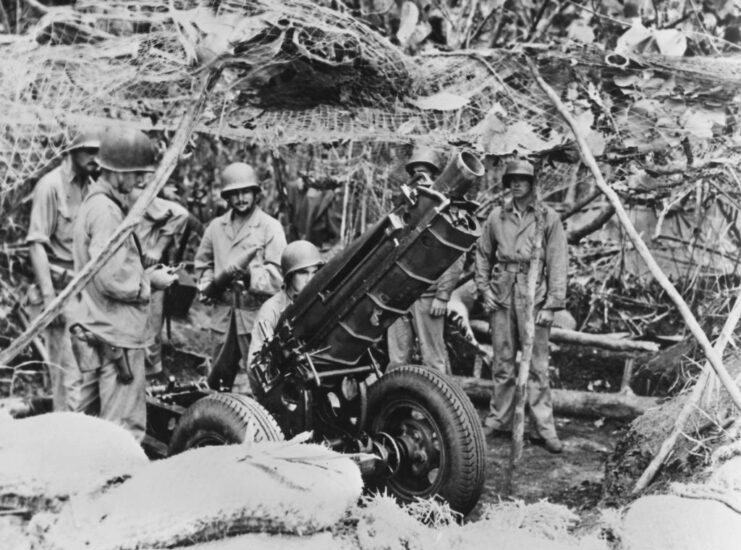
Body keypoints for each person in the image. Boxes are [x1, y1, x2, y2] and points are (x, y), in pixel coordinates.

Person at [70, 126, 177, 441]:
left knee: (87, 423)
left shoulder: (97, 203)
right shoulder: (106, 212)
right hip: (117, 335)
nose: (142, 181)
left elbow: (106, 265)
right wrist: (150, 282)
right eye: (137, 174)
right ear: (117, 173)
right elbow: (114, 278)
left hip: (97, 327)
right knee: (121, 433)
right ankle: (116, 484)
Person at [474, 159, 568, 453]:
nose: (516, 184)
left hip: (534, 295)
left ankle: (544, 428)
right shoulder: (496, 216)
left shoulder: (547, 217)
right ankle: (498, 418)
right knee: (502, 361)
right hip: (502, 293)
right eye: (512, 179)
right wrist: (483, 288)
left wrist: (552, 304)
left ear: (532, 184)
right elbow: (482, 254)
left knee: (538, 365)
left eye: (522, 180)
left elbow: (558, 261)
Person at [25, 127, 100, 412]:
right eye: (90, 151)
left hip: (85, 292)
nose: (96, 158)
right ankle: (65, 444)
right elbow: (36, 243)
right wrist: (49, 300)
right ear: (72, 150)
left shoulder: (91, 187)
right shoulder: (51, 186)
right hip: (59, 290)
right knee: (67, 378)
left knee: (87, 375)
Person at [194, 162, 286, 392]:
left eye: (246, 191)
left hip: (255, 314)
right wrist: (207, 284)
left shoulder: (269, 227)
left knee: (260, 376)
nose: (241, 198)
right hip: (223, 316)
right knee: (217, 378)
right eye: (234, 193)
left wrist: (250, 277)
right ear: (227, 197)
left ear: (256, 193)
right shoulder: (216, 227)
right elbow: (202, 263)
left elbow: (280, 275)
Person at [386, 146, 463, 374]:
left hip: (428, 295)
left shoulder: (447, 207)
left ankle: (435, 409)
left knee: (433, 361)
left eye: (426, 172)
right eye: (415, 173)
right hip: (399, 294)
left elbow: (456, 254)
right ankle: (396, 409)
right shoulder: (402, 206)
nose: (420, 179)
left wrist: (443, 294)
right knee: (397, 361)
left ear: (436, 175)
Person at [128, 180, 191, 377]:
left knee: (151, 325)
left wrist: (157, 248)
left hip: (146, 270)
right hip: (126, 271)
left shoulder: (139, 196)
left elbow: (181, 214)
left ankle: (151, 373)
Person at [246, 240, 324, 391]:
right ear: (289, 276)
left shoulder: (319, 302)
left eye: (315, 272)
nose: (310, 279)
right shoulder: (271, 310)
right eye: (303, 273)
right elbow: (254, 367)